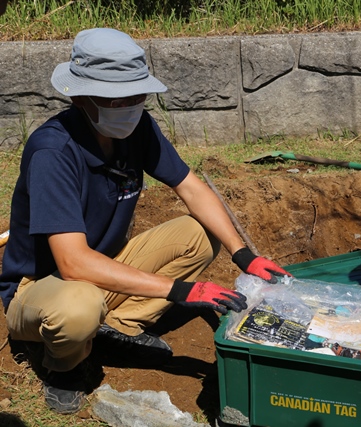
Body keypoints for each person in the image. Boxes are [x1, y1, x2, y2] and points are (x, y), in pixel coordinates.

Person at [0, 27, 290, 415]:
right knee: (78, 304)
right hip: (41, 289)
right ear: (81, 94)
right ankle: (63, 367)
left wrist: (244, 256)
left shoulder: (137, 128)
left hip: (107, 265)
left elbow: (191, 189)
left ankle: (117, 327)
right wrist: (178, 290)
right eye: (117, 97)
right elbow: (72, 264)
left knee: (200, 233)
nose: (130, 105)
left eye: (137, 95)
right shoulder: (53, 151)